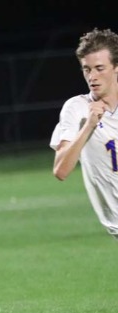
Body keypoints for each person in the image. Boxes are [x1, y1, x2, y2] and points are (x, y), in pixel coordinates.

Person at [51, 28, 118, 239]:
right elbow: (61, 170)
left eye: (99, 68)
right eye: (86, 69)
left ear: (116, 68)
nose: (92, 76)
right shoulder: (77, 108)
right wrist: (89, 126)